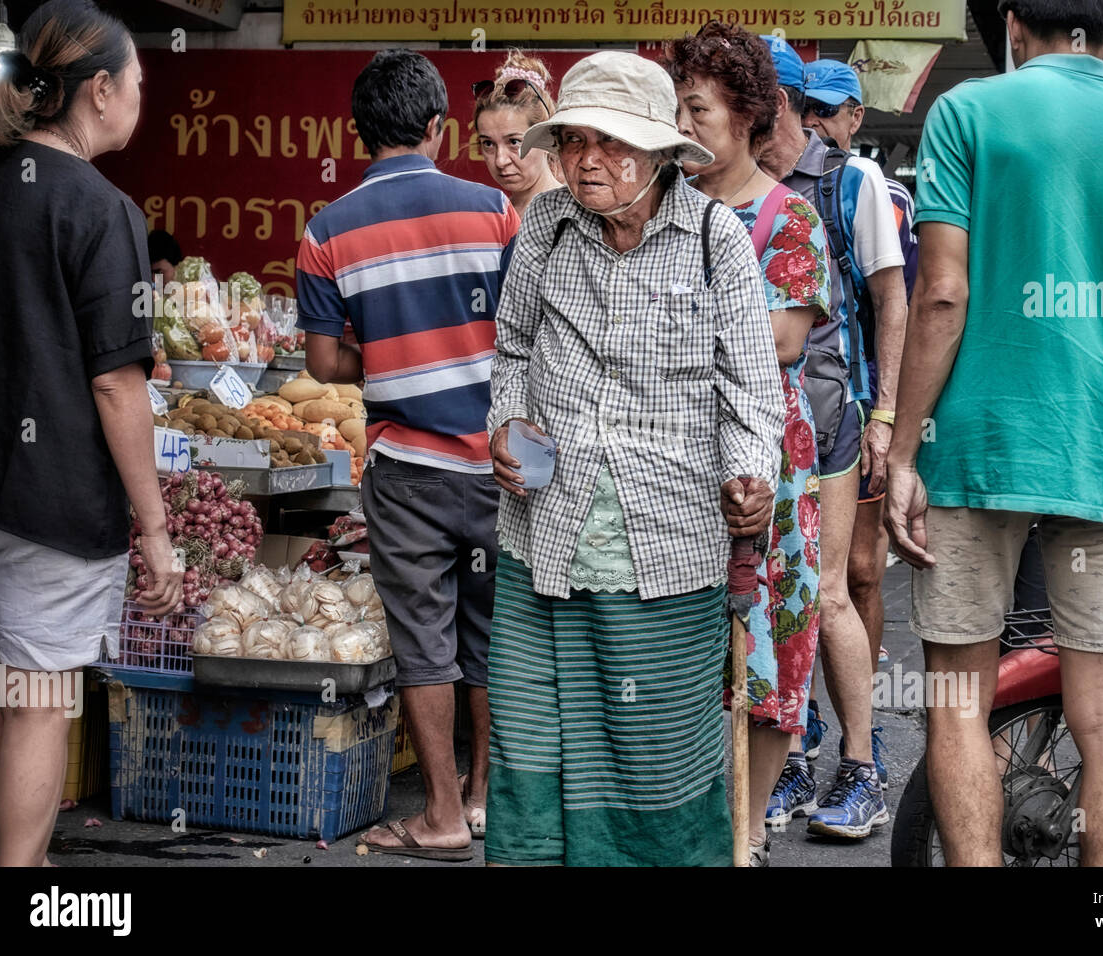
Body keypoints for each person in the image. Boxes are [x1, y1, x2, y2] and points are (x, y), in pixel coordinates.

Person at [887, 0, 1103, 866]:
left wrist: (903, 446)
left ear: (1014, 23)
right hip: (1101, 449)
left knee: (957, 697)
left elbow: (943, 295)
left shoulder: (967, 113)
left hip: (973, 450)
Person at [485, 50, 783, 867]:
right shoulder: (545, 226)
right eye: (574, 140)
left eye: (610, 144)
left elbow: (752, 393)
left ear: (659, 153)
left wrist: (751, 474)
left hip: (668, 542)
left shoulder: (717, 239)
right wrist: (507, 421)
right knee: (536, 744)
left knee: (653, 758)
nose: (586, 160)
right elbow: (511, 351)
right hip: (544, 534)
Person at [295, 50, 520, 861]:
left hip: (408, 472)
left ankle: (441, 815)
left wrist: (388, 357)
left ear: (360, 135)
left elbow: (323, 367)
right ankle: (490, 796)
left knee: (424, 641)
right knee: (492, 634)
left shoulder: (326, 231)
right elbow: (525, 330)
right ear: (437, 128)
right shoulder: (495, 210)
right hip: (500, 464)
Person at [0, 0, 182, 867]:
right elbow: (115, 381)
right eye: (138, 82)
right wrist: (158, 527)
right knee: (34, 695)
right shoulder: (103, 212)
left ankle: (23, 857)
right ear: (99, 91)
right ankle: (25, 878)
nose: (142, 97)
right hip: (52, 501)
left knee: (2, 680)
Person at [663, 22, 832, 865]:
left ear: (748, 116)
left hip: (767, 464)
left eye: (698, 108)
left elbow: (783, 339)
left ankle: (750, 827)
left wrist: (664, 333)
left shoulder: (785, 215)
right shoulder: (656, 211)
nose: (684, 125)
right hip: (666, 460)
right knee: (681, 651)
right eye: (678, 107)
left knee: (769, 654)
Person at [755, 42, 909, 839]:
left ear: (770, 102)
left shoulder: (854, 182)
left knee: (831, 589)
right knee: (767, 603)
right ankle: (784, 764)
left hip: (830, 416)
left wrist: (887, 418)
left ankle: (862, 767)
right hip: (750, 427)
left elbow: (894, 303)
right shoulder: (724, 186)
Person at [472, 51, 563, 215]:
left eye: (514, 142)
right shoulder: (494, 217)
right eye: (488, 144)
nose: (500, 161)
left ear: (545, 136)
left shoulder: (574, 214)